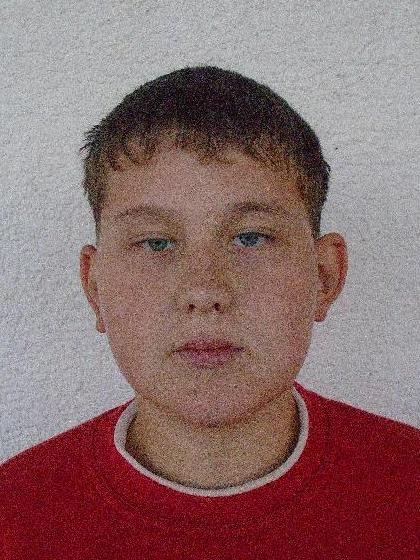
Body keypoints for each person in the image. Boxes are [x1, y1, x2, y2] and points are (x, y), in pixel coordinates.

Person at [1, 65, 418, 559]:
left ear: (325, 277)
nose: (204, 291)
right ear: (95, 288)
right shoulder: (13, 518)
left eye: (250, 238)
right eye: (156, 243)